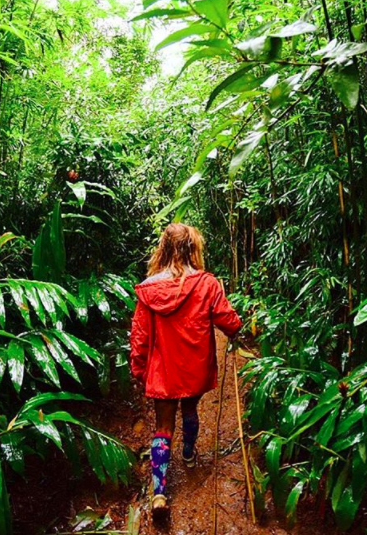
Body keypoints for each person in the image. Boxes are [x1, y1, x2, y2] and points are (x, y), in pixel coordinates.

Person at [130, 223, 242, 520]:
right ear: (193, 248)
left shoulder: (149, 288)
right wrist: (236, 328)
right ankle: (189, 455)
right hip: (193, 367)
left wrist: (139, 368)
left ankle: (159, 492)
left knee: (163, 427)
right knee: (190, 411)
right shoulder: (206, 284)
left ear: (163, 249)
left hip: (162, 369)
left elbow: (140, 335)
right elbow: (226, 318)